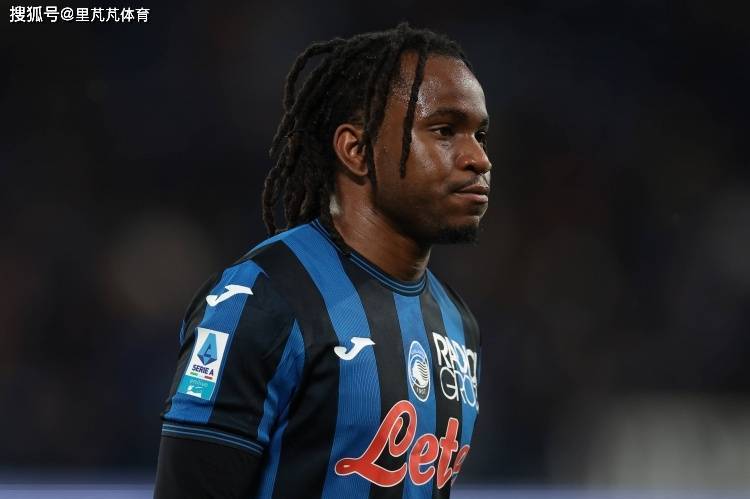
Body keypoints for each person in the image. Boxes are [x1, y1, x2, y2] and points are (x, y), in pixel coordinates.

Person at [154, 22, 491, 498]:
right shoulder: (260, 301)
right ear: (356, 150)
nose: (478, 158)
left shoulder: (459, 324)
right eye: (444, 131)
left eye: (480, 135)